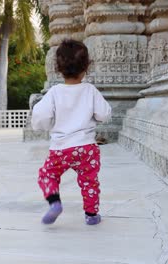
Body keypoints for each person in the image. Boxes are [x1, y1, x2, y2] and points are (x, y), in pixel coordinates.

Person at [31, 39, 112, 225]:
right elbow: (104, 114)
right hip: (87, 148)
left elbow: (41, 116)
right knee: (89, 181)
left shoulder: (54, 92)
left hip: (60, 148)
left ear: (58, 68)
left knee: (47, 175)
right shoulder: (90, 91)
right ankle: (91, 215)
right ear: (86, 67)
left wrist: (44, 125)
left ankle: (54, 203)